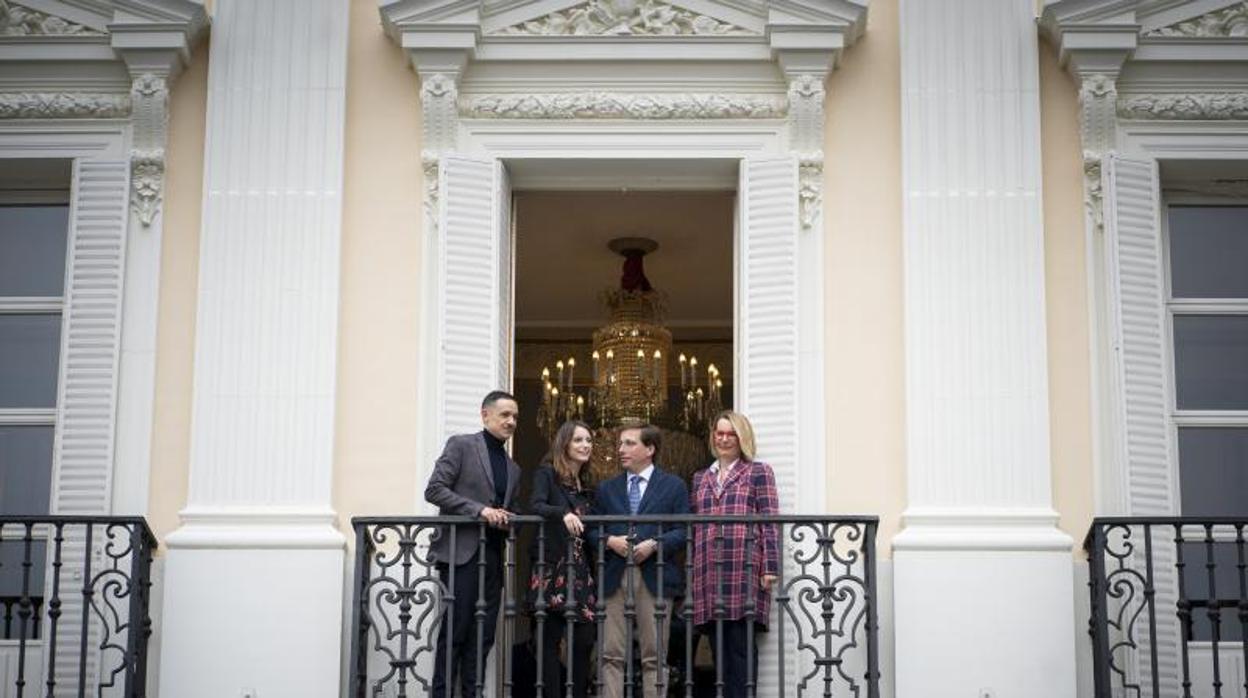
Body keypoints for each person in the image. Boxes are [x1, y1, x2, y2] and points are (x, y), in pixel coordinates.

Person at [425, 390, 522, 698]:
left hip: (493, 558)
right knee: (454, 633)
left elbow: (511, 510)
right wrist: (479, 510)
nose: (511, 421)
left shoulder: (514, 468)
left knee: (482, 639)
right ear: (485, 415)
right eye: (505, 414)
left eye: (515, 417)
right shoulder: (462, 445)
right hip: (461, 555)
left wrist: (509, 519)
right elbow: (435, 490)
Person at [588, 423, 689, 698]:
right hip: (613, 576)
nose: (621, 449)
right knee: (610, 654)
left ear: (650, 449)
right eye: (620, 444)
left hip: (655, 575)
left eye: (630, 443)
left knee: (654, 656)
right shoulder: (607, 488)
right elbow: (591, 529)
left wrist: (655, 545)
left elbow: (684, 530)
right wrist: (610, 541)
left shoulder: (674, 486)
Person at [689, 410, 779, 698]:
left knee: (741, 650)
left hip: (743, 568)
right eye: (720, 433)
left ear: (742, 438)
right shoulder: (700, 477)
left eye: (731, 434)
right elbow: (694, 528)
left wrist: (770, 567)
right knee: (718, 654)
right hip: (707, 572)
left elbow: (769, 520)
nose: (724, 439)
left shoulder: (757, 471)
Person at [528, 420, 597, 698]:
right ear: (564, 444)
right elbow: (536, 504)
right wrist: (563, 513)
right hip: (552, 565)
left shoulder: (587, 484)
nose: (585, 445)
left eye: (589, 440)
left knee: (584, 640)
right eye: (578, 440)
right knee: (549, 642)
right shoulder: (548, 474)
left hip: (580, 569)